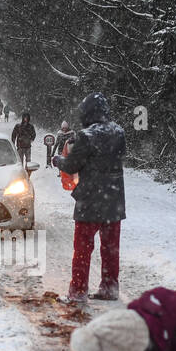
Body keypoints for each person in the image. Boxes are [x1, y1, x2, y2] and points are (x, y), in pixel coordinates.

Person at [52, 93, 124, 303]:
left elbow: (72, 165)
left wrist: (58, 160)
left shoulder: (86, 136)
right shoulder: (119, 132)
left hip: (90, 201)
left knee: (83, 248)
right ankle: (109, 288)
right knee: (111, 248)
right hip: (114, 200)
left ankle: (78, 291)